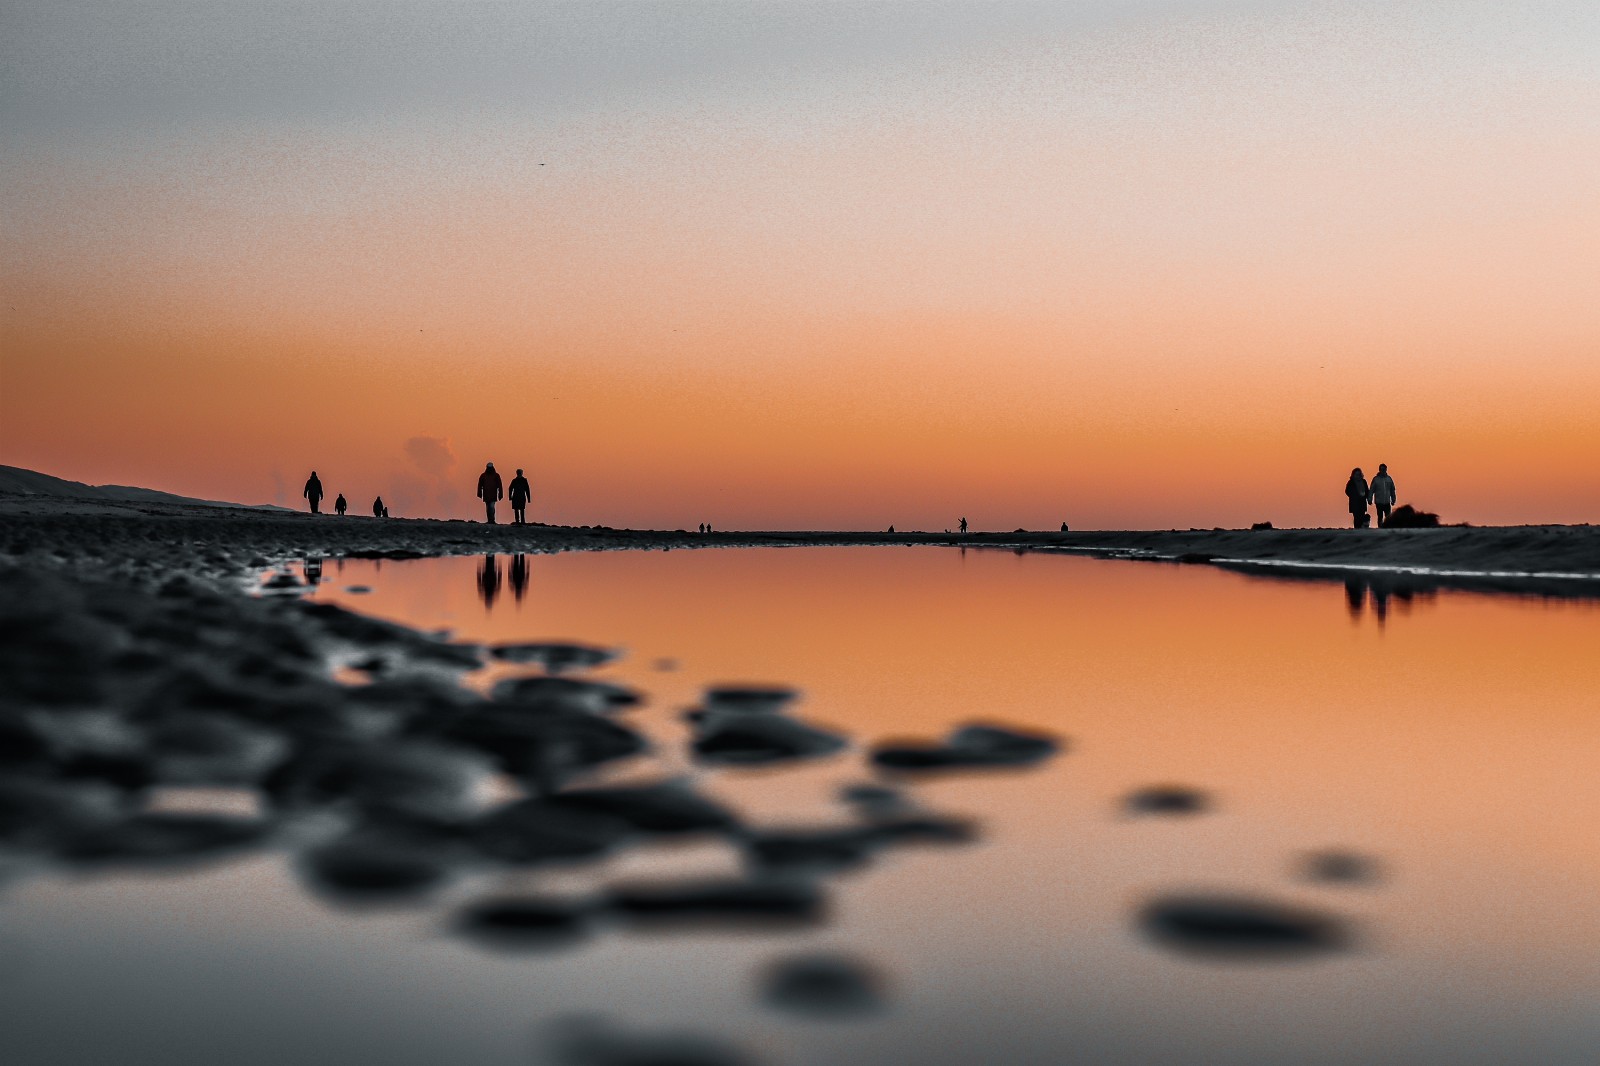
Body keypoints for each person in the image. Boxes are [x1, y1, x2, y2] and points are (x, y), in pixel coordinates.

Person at [1370, 463, 1397, 527]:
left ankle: (1388, 527)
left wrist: (1393, 499)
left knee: (1388, 517)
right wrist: (1369, 499)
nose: (1383, 471)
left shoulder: (1389, 479)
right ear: (1379, 470)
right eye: (1382, 469)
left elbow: (1392, 490)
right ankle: (1380, 527)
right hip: (1379, 502)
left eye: (1384, 469)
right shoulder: (1376, 479)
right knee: (1380, 516)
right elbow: (1371, 490)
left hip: (1387, 501)